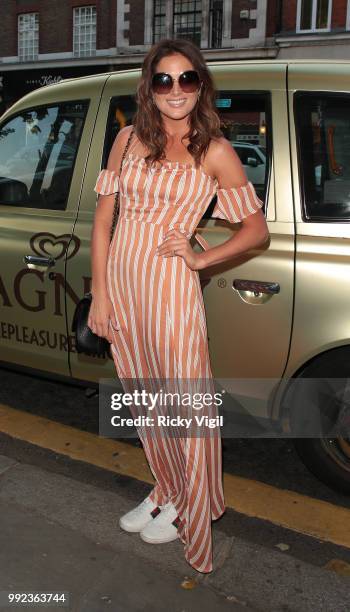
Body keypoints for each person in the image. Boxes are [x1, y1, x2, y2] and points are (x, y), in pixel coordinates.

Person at [89, 38, 269, 574]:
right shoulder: (126, 139)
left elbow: (255, 230)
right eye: (164, 80)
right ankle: (166, 488)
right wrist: (100, 293)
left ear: (200, 85)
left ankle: (194, 506)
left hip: (169, 292)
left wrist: (201, 257)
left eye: (186, 79)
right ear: (150, 87)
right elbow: (104, 221)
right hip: (123, 289)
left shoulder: (213, 149)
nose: (175, 90)